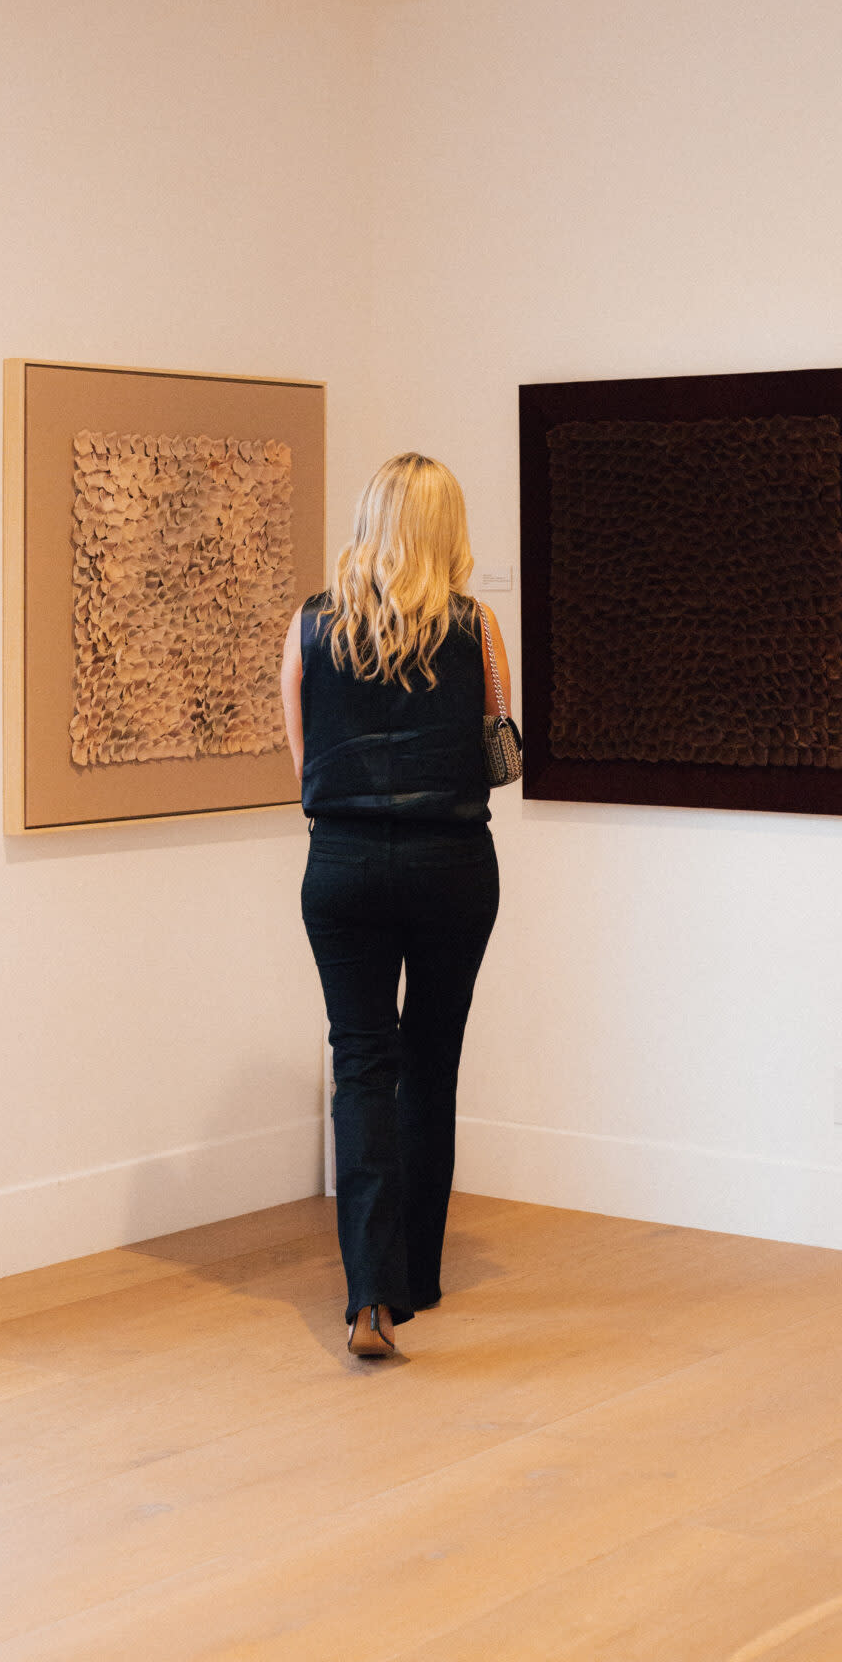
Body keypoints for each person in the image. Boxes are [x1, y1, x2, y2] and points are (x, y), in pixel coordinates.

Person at [281, 453, 511, 1358]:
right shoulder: (478, 628)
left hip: (339, 865)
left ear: (368, 521)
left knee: (361, 1065)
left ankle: (368, 1294)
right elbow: (501, 751)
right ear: (447, 531)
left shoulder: (307, 628)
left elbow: (301, 765)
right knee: (432, 1061)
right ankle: (416, 1276)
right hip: (452, 860)